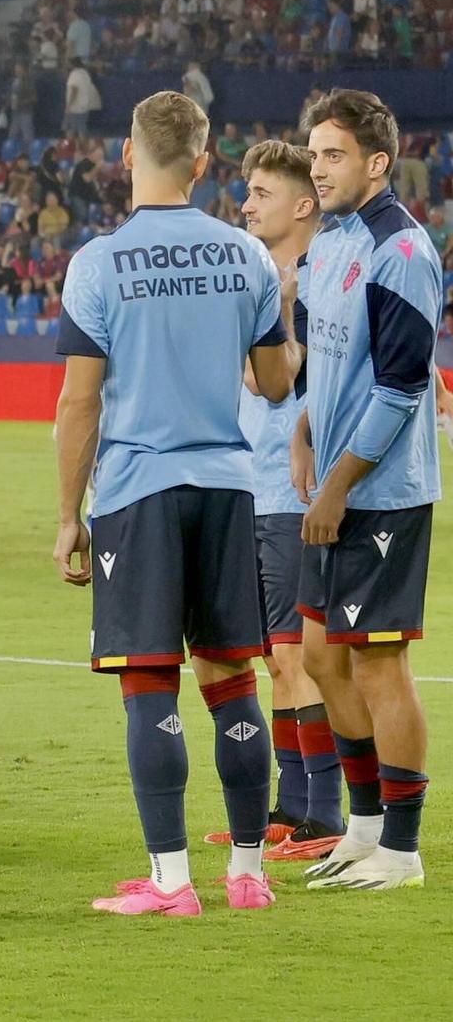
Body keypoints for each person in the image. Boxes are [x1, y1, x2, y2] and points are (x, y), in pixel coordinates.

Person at [53, 91, 296, 916]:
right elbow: (273, 381)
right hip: (231, 485)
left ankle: (172, 882)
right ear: (202, 162)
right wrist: (282, 309)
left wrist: (66, 516)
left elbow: (79, 404)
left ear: (127, 154)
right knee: (232, 675)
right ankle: (249, 873)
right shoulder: (248, 257)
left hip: (137, 490)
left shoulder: (96, 262)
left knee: (149, 677)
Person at [293, 88, 438, 891]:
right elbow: (329, 357)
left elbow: (402, 387)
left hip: (381, 493)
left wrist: (339, 484)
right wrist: (305, 427)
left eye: (334, 154)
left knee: (379, 664)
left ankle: (405, 851)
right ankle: (365, 826)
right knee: (320, 654)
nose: (319, 167)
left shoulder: (402, 252)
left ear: (377, 163)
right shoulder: (331, 242)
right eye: (314, 153)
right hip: (338, 481)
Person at [219, 140, 345, 862]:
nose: (247, 204)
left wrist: (286, 310)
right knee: (276, 655)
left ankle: (322, 813)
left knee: (301, 654)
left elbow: (295, 382)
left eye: (261, 193)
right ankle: (291, 805)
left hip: (294, 493)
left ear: (303, 204)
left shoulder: (324, 280)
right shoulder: (259, 279)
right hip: (252, 485)